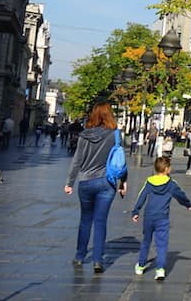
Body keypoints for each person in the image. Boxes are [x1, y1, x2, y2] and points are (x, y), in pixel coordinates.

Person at [64, 102, 126, 272]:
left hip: (85, 182)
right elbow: (120, 160)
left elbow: (77, 160)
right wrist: (123, 182)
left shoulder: (84, 135)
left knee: (85, 220)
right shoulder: (115, 135)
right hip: (107, 183)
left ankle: (79, 256)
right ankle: (98, 260)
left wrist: (70, 183)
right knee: (100, 222)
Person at [131, 156, 191, 281]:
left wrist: (136, 211)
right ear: (167, 169)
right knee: (161, 244)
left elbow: (141, 196)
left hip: (149, 217)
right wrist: (187, 204)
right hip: (162, 218)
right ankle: (160, 269)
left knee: (146, 241)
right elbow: (180, 195)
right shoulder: (171, 184)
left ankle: (141, 266)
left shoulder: (149, 181)